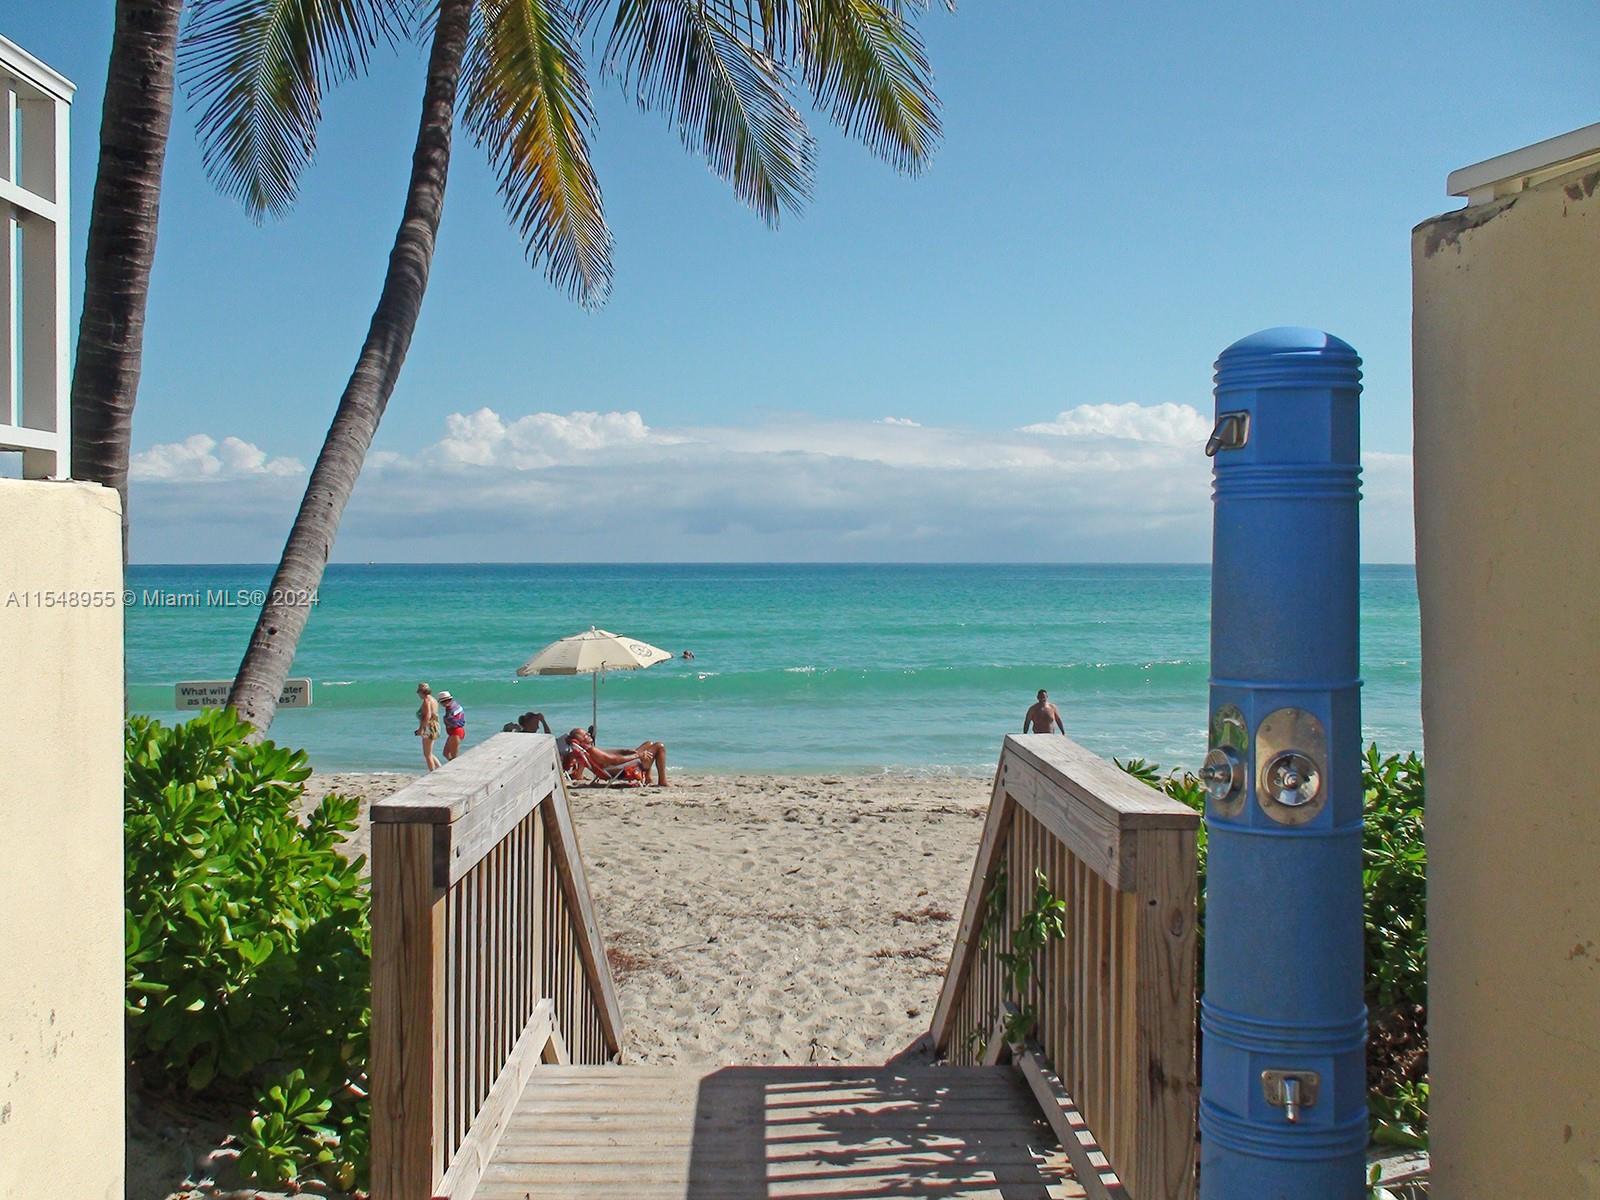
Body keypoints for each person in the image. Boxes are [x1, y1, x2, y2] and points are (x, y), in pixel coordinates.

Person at [568, 727, 669, 785]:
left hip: (614, 767)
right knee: (659, 746)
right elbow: (615, 760)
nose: (589, 735)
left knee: (649, 744)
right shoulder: (592, 750)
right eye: (586, 735)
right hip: (618, 770)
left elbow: (611, 755)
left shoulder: (588, 751)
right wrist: (638, 755)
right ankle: (662, 781)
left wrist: (627, 751)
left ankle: (648, 778)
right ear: (581, 741)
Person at [415, 682, 442, 771]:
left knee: (427, 754)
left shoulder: (427, 701)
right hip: (435, 726)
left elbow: (427, 716)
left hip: (429, 728)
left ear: (421, 692)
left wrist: (421, 729)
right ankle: (440, 769)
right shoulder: (433, 699)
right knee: (429, 752)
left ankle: (432, 772)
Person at [439, 690, 467, 760]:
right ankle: (452, 765)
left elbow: (454, 722)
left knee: (454, 756)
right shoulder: (455, 705)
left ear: (451, 699)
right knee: (445, 753)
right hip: (455, 732)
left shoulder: (451, 709)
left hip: (456, 732)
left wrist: (446, 719)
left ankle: (456, 768)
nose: (446, 702)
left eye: (447, 700)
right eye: (443, 701)